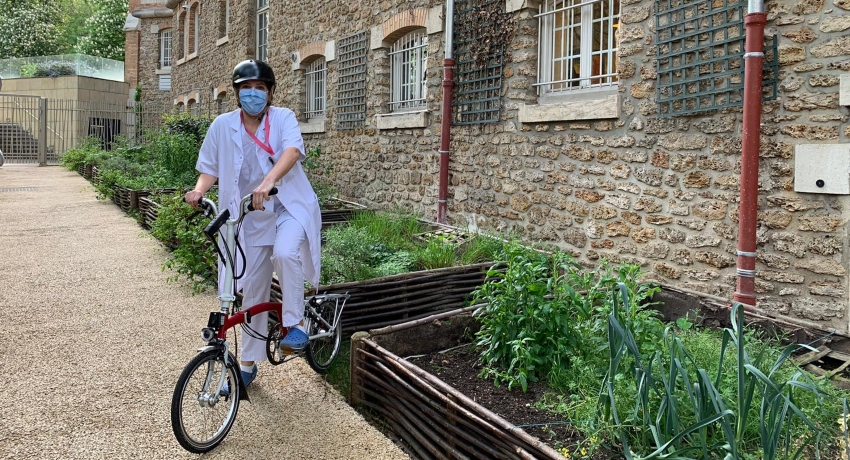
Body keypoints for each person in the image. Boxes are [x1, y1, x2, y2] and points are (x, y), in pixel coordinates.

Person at [185, 59, 322, 388]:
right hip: (247, 217)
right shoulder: (222, 125)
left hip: (287, 207)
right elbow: (210, 167)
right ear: (236, 93)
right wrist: (199, 190)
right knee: (252, 294)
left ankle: (295, 324)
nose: (253, 94)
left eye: (259, 88)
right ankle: (247, 365)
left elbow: (291, 151)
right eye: (246, 88)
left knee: (286, 253)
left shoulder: (283, 118)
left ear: (270, 92)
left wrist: (268, 181)